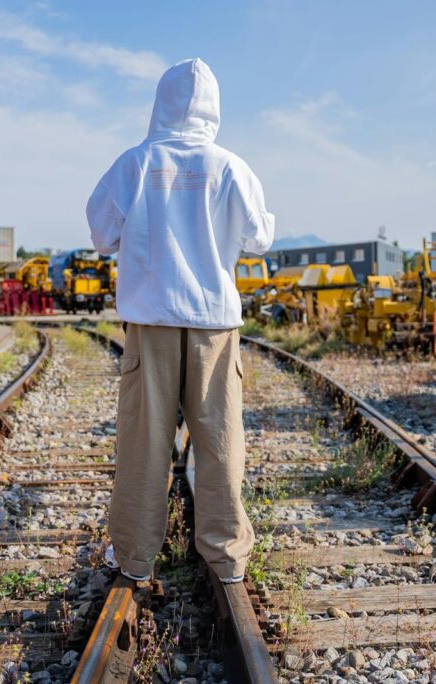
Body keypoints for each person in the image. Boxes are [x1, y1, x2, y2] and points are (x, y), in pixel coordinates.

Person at [86, 58, 275, 584]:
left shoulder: (137, 163)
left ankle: (134, 556)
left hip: (152, 322)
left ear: (160, 102)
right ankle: (227, 555)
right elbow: (260, 238)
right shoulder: (231, 167)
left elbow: (101, 234)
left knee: (144, 441)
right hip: (215, 324)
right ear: (214, 107)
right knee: (219, 441)